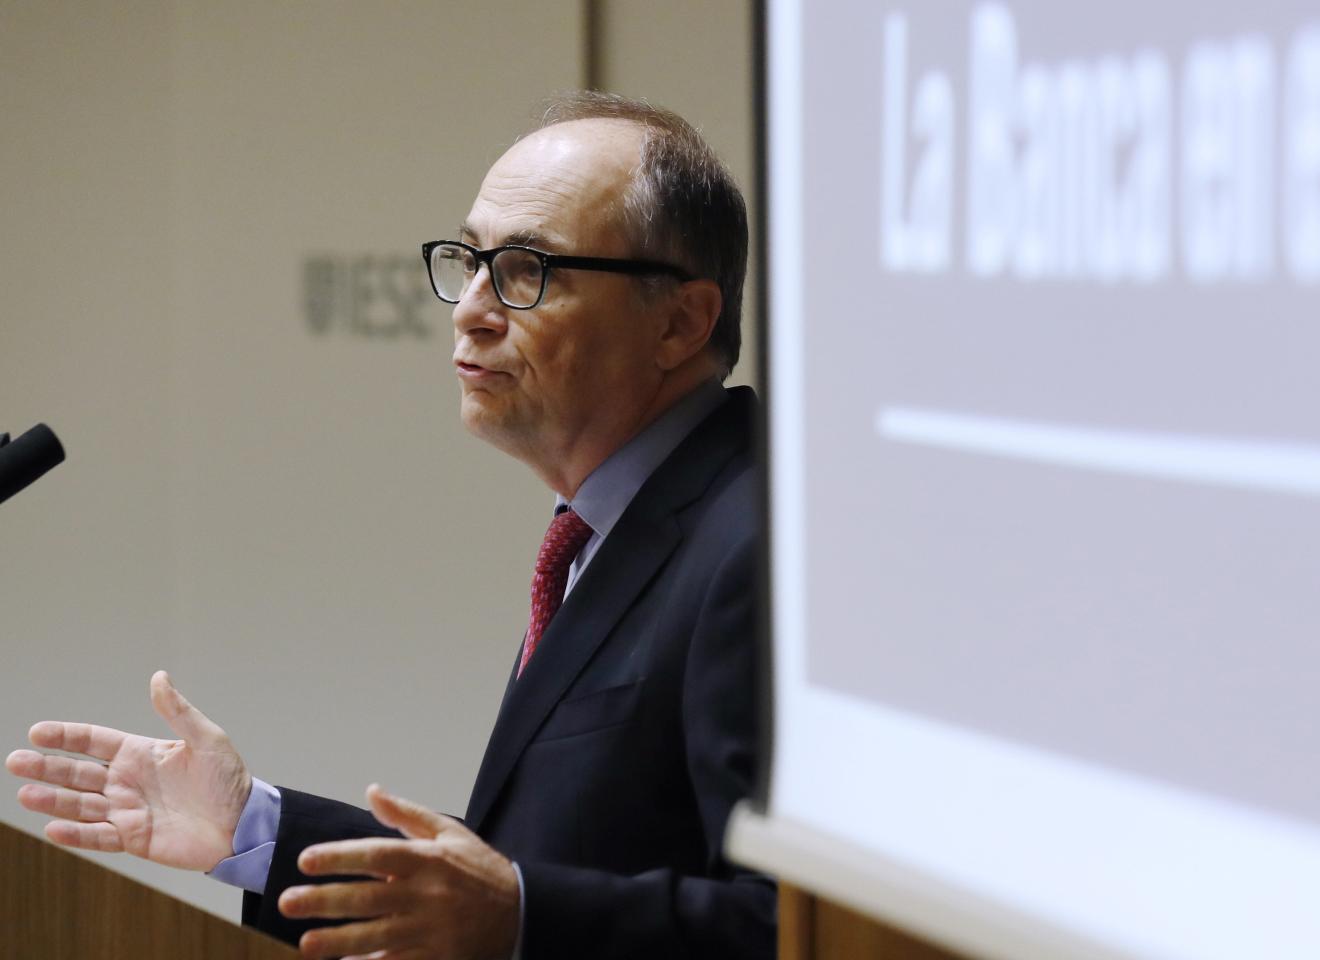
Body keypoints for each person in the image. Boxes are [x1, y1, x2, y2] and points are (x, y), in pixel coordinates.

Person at [4, 91, 773, 960]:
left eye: (527, 269)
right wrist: (251, 829)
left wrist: (523, 919)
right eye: (468, 259)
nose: (471, 309)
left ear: (680, 321)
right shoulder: (610, 529)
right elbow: (525, 867)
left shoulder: (759, 551)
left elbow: (809, 927)